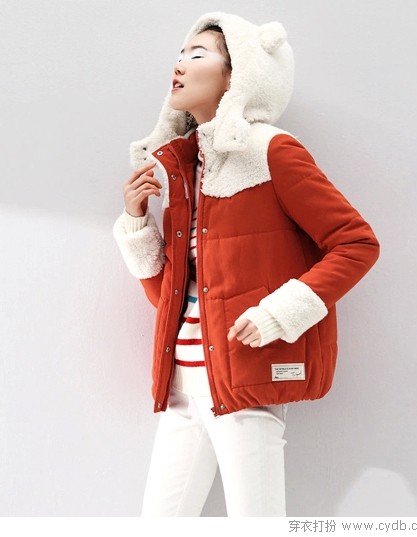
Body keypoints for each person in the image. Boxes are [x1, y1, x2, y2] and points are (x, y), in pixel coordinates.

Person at [113, 12, 380, 517]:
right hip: (182, 388)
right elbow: (169, 298)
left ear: (237, 74)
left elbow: (356, 243)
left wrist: (279, 313)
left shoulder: (271, 150)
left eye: (197, 54)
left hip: (244, 381)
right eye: (180, 53)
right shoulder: (184, 167)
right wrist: (135, 221)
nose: (179, 64)